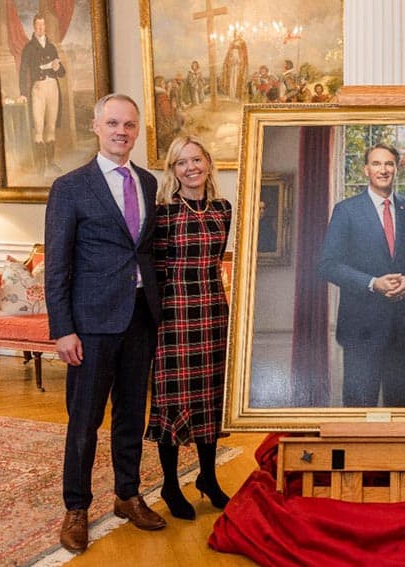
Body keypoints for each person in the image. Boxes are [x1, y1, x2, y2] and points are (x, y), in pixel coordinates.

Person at [45, 93, 166, 554]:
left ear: (137, 131)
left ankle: (127, 495)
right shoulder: (70, 187)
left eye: (129, 124)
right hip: (91, 325)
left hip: (140, 318)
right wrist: (63, 329)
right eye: (113, 123)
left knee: (131, 415)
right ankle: (76, 508)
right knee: (84, 420)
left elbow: (145, 250)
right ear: (96, 127)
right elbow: (58, 264)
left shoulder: (148, 182)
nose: (121, 131)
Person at [145, 135, 233, 520]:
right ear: (173, 170)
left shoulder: (223, 209)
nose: (190, 168)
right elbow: (154, 269)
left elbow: (220, 258)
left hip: (213, 311)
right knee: (173, 398)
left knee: (210, 398)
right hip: (174, 315)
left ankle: (208, 478)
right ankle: (170, 483)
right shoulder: (163, 212)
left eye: (196, 160)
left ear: (208, 163)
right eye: (182, 162)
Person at [318, 143, 405, 407]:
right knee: (359, 409)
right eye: (377, 163)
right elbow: (328, 264)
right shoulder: (346, 211)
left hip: (402, 331)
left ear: (396, 168)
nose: (383, 170)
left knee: (401, 409)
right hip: (361, 331)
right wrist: (372, 283)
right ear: (366, 170)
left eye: (389, 164)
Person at [17, 13, 66, 176]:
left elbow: (62, 73)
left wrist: (57, 67)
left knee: (51, 127)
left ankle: (50, 163)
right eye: (38, 25)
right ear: (34, 27)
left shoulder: (52, 47)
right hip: (38, 90)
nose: (40, 28)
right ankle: (41, 167)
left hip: (53, 89)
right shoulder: (29, 48)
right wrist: (23, 93)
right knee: (38, 128)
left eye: (43, 25)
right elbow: (23, 71)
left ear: (45, 26)